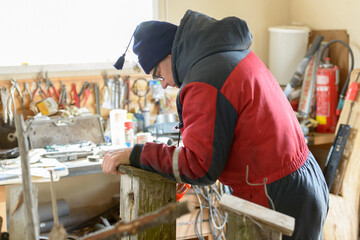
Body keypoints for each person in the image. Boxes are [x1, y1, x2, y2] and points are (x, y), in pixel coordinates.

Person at [102, 9, 329, 240]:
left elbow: (199, 167)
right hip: (301, 180)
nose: (164, 85)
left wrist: (135, 154)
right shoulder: (226, 53)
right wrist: (181, 171)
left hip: (275, 194)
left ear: (169, 54)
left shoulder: (205, 79)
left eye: (158, 74)